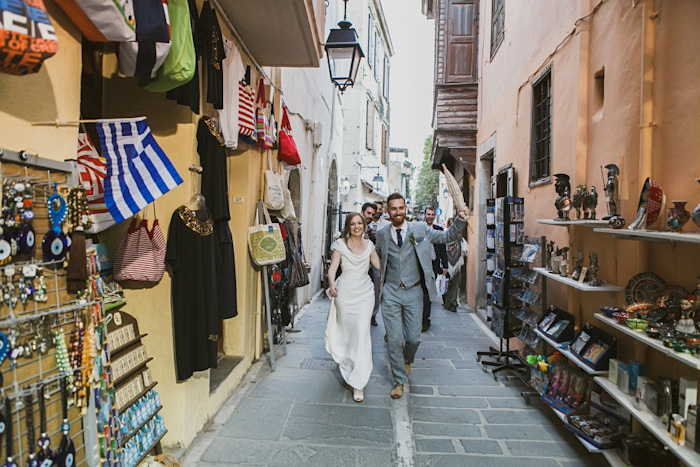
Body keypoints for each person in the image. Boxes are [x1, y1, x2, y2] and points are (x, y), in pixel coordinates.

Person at [375, 193, 469, 399]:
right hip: (390, 291)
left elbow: (446, 237)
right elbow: (372, 256)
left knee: (413, 339)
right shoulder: (381, 234)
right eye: (393, 209)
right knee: (392, 339)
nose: (397, 212)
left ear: (405, 208)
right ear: (388, 210)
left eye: (400, 208)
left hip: (414, 290)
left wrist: (461, 219)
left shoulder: (420, 229)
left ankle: (407, 359)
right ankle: (399, 380)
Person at [325, 212, 381, 403]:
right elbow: (332, 268)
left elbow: (380, 266)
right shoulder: (340, 244)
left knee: (361, 332)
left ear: (364, 225)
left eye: (360, 223)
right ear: (348, 226)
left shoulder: (370, 246)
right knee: (349, 334)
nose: (357, 226)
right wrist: (332, 284)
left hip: (365, 294)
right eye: (353, 224)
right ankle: (348, 362)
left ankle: (359, 382)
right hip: (345, 294)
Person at [422, 207, 449, 332]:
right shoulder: (418, 229)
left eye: (432, 214)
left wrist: (445, 265)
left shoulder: (438, 230)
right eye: (428, 214)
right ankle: (420, 318)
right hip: (421, 264)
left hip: (433, 264)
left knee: (428, 291)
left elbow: (442, 248)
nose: (431, 216)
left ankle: (426, 319)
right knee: (421, 292)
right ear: (424, 215)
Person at [443, 217, 468, 312]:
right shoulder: (445, 235)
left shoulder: (459, 237)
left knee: (455, 283)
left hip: (457, 264)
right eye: (452, 224)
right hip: (447, 263)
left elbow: (464, 248)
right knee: (448, 284)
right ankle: (448, 302)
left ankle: (453, 302)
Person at [362, 202, 381, 327]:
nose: (370, 216)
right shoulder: (350, 228)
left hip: (367, 270)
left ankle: (369, 316)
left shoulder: (370, 232)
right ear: (362, 211)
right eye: (368, 213)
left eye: (373, 215)